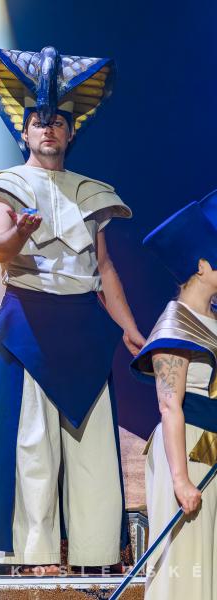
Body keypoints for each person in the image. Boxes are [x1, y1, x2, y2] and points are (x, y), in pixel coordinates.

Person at [0, 46, 144, 574]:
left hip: (84, 324)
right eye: (39, 122)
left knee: (91, 445)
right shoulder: (2, 187)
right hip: (31, 321)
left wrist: (130, 328)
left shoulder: (91, 193)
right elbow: (0, 248)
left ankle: (96, 552)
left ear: (70, 132)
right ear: (25, 131)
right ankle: (33, 554)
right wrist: (19, 232)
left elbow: (104, 268)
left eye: (58, 122)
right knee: (32, 444)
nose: (48, 129)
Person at [130, 191, 217, 599]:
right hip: (187, 450)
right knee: (187, 560)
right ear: (202, 265)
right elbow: (169, 406)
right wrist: (180, 480)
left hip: (212, 448)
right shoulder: (176, 326)